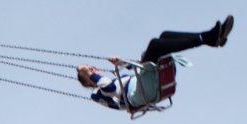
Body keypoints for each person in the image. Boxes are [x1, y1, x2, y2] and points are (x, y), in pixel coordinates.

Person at [77, 15, 234, 111]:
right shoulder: (99, 91)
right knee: (155, 45)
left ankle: (210, 38)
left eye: (93, 68)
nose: (94, 70)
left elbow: (137, 67)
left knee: (164, 36)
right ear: (89, 80)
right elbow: (109, 88)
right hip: (143, 91)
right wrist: (90, 75)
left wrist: (121, 63)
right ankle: (208, 38)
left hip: (145, 83)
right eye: (90, 72)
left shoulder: (113, 80)